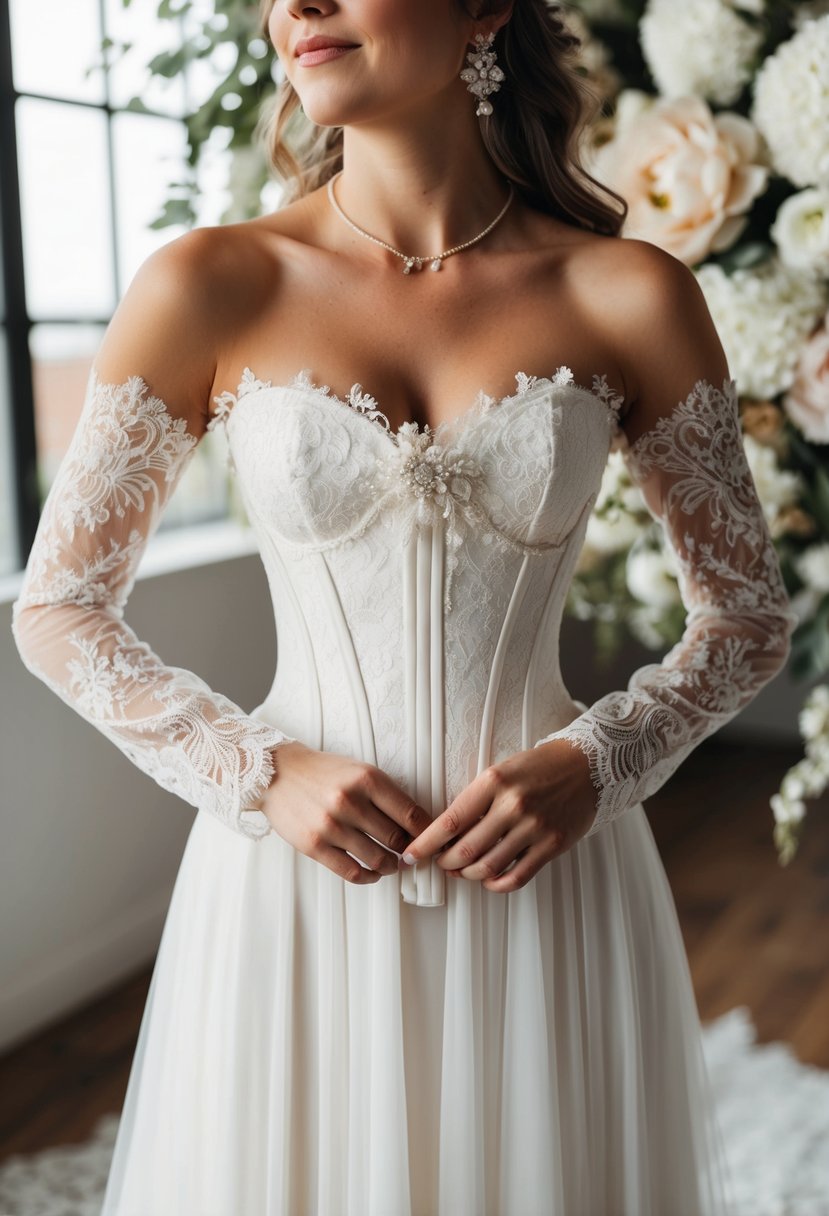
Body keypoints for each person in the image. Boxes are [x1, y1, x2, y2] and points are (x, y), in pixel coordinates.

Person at [10, 0, 797, 1211]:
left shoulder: (627, 292)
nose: (297, 7)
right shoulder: (212, 282)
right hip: (290, 876)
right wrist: (261, 770)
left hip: (546, 871)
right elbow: (59, 605)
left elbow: (745, 617)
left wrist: (599, 759)